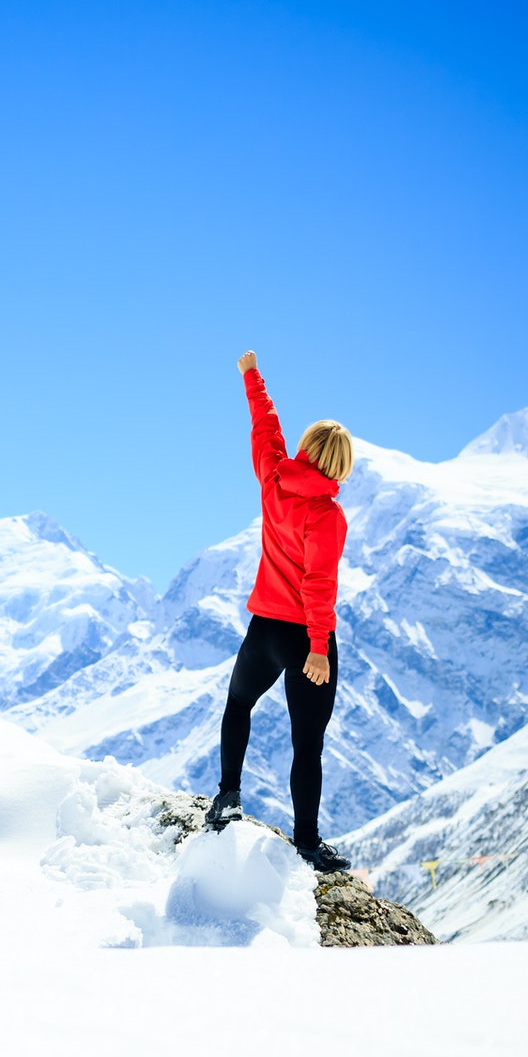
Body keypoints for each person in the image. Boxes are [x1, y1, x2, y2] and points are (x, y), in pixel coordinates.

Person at [205, 350, 355, 875]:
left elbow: (264, 426)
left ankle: (227, 797)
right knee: (306, 745)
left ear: (308, 449)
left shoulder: (273, 479)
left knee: (238, 704)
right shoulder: (328, 515)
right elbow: (319, 584)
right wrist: (318, 647)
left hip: (264, 628)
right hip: (303, 638)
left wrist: (252, 375)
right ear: (341, 466)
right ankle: (307, 843)